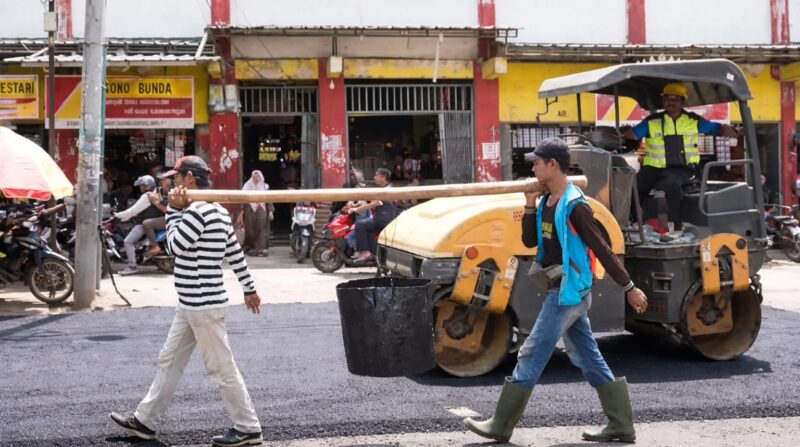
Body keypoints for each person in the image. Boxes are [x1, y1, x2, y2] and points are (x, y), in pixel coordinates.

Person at [463, 138, 649, 444]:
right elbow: (528, 241)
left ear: (553, 165)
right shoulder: (547, 201)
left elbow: (602, 249)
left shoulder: (576, 206)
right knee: (589, 358)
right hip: (561, 288)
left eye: (537, 162)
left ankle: (501, 425)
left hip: (568, 293)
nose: (533, 166)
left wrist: (629, 287)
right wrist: (527, 203)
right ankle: (621, 425)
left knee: (532, 351)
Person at [109, 155, 264, 447]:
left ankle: (248, 427)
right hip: (191, 304)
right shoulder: (218, 211)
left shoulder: (196, 213)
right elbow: (235, 254)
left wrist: (174, 211)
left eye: (176, 179)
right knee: (170, 360)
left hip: (202, 305)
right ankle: (145, 420)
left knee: (221, 368)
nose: (172, 184)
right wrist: (249, 288)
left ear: (190, 180)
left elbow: (175, 246)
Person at [623, 82, 738, 239]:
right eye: (667, 99)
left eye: (675, 99)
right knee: (632, 187)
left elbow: (717, 128)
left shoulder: (694, 121)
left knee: (669, 185)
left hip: (682, 168)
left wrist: (728, 130)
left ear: (682, 102)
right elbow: (632, 135)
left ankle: (675, 227)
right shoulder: (652, 121)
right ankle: (633, 223)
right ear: (663, 101)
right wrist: (618, 134)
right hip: (653, 168)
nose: (671, 102)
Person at [115, 175, 163, 275]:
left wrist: (117, 215)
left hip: (143, 223)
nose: (140, 188)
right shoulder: (156, 193)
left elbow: (133, 211)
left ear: (147, 186)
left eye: (141, 185)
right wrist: (125, 217)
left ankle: (132, 266)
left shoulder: (146, 196)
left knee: (127, 242)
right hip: (152, 221)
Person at [349, 167, 397, 263]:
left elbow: (373, 204)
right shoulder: (389, 187)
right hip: (386, 219)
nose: (374, 177)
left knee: (360, 225)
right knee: (368, 229)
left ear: (383, 177)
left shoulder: (385, 191)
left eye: (376, 175)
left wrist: (355, 209)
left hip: (382, 220)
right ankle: (374, 254)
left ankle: (365, 252)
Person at [242, 170, 271, 257]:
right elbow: (242, 197)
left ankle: (261, 249)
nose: (256, 179)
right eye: (254, 177)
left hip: (262, 210)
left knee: (262, 229)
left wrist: (271, 211)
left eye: (258, 177)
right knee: (250, 230)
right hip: (250, 211)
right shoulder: (247, 186)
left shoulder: (265, 187)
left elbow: (269, 200)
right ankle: (250, 247)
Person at [143, 175, 172, 256]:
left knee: (147, 223)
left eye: (164, 180)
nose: (161, 182)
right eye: (161, 181)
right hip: (167, 215)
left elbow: (164, 208)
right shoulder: (159, 191)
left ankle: (155, 246)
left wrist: (156, 201)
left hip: (173, 216)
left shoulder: (174, 191)